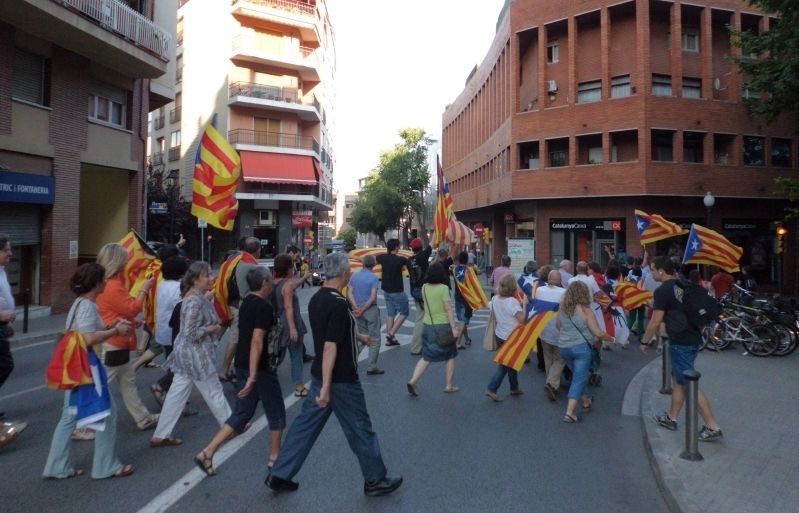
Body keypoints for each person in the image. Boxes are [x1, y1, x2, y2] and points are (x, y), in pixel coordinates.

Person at [266, 252, 402, 496]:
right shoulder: (338, 304)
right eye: (349, 270)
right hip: (340, 378)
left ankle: (280, 473)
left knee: (304, 426)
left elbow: (331, 331)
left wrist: (358, 336)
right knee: (360, 429)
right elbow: (330, 344)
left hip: (321, 374)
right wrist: (328, 386)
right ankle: (375, 479)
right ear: (344, 274)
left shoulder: (318, 298)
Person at [42, 263, 135, 479]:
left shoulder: (81, 303)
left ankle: (56, 466)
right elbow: (88, 338)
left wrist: (112, 326)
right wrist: (115, 330)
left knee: (69, 416)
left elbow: (86, 332)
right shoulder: (87, 306)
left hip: (77, 363)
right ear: (96, 283)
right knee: (107, 413)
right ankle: (105, 466)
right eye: (103, 279)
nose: (106, 283)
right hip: (87, 364)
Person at [195, 266, 286, 476]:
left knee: (243, 413)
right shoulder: (263, 307)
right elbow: (257, 341)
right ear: (264, 283)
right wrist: (254, 375)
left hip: (243, 363)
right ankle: (275, 458)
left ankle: (208, 452)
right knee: (276, 412)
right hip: (260, 368)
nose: (272, 283)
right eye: (270, 280)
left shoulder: (246, 303)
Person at [641, 257, 723, 441]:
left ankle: (712, 426)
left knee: (689, 384)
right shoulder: (683, 284)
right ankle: (671, 417)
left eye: (652, 269)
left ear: (661, 270)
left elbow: (655, 321)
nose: (651, 273)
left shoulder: (663, 290)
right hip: (692, 338)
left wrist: (644, 341)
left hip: (680, 341)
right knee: (680, 381)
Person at [150, 261, 231, 447]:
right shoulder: (194, 301)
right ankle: (230, 426)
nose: (212, 278)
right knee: (213, 390)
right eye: (207, 275)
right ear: (195, 280)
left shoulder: (195, 296)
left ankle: (161, 434)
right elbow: (190, 333)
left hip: (186, 355)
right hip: (196, 356)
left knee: (176, 394)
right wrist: (211, 329)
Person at [95, 243, 159, 432]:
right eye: (125, 259)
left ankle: (142, 417)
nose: (127, 263)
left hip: (117, 339)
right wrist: (144, 289)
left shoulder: (106, 283)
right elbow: (132, 308)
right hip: (114, 341)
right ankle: (85, 425)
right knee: (102, 385)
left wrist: (131, 322)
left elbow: (117, 310)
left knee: (127, 381)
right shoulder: (113, 285)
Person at [556, 281, 615, 423]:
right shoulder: (586, 310)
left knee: (579, 375)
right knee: (578, 379)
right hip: (581, 348)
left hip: (564, 347)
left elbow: (558, 326)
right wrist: (612, 338)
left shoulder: (562, 309)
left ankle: (586, 400)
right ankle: (569, 413)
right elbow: (598, 333)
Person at [406, 263, 461, 396]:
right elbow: (448, 309)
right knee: (450, 355)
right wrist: (454, 327)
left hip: (427, 325)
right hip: (442, 326)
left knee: (426, 357)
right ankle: (449, 385)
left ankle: (413, 380)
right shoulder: (444, 288)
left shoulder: (424, 287)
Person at [219, 237, 261, 384]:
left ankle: (228, 369)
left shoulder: (235, 260)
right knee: (236, 339)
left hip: (227, 303)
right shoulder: (248, 264)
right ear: (258, 250)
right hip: (238, 306)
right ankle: (224, 371)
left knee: (216, 338)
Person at [149, 256, 189, 405]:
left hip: (164, 331)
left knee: (174, 364)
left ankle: (177, 399)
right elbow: (183, 308)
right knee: (180, 367)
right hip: (174, 333)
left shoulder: (162, 284)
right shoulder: (177, 287)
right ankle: (160, 386)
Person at [0, 235, 27, 448]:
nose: (11, 253)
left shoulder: (2, 270)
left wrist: (7, 321)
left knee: (5, 364)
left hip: (2, 326)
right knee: (4, 364)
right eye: (6, 249)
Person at [485, 274, 525, 402]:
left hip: (500, 334)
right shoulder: (512, 302)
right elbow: (522, 320)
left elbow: (489, 306)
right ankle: (491, 388)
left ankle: (514, 387)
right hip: (511, 337)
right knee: (505, 364)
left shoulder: (495, 298)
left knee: (510, 362)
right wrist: (525, 307)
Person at [273, 254, 309, 397]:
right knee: (295, 356)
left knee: (275, 356)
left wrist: (304, 278)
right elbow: (289, 307)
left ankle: (262, 383)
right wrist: (293, 328)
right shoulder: (288, 285)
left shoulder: (271, 283)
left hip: (276, 324)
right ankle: (299, 387)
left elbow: (296, 283)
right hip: (289, 325)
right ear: (289, 268)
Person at [533, 270, 566, 402]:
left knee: (548, 357)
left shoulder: (539, 290)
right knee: (560, 359)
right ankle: (551, 383)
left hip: (544, 330)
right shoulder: (564, 293)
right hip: (559, 332)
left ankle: (550, 382)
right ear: (560, 281)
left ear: (548, 279)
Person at [348, 254, 383, 375]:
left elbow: (349, 293)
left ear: (363, 264)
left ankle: (351, 362)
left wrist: (356, 307)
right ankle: (372, 366)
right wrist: (363, 309)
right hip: (370, 309)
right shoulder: (373, 277)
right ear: (373, 265)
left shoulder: (355, 276)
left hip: (357, 310)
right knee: (375, 338)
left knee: (361, 338)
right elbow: (373, 297)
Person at [376, 239, 409, 346]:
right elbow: (410, 263)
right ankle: (391, 333)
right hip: (397, 291)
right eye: (399, 246)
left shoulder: (382, 257)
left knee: (391, 314)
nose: (399, 248)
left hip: (386, 290)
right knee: (404, 312)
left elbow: (371, 260)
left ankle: (390, 339)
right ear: (395, 247)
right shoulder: (400, 260)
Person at [286, 245, 314, 362]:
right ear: (291, 253)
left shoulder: (292, 264)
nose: (298, 258)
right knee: (294, 328)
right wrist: (304, 278)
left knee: (297, 327)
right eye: (297, 256)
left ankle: (301, 352)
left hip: (291, 299)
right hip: (288, 300)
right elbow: (291, 284)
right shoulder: (286, 264)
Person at [407, 238, 432, 356]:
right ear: (421, 247)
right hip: (424, 291)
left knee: (424, 317)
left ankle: (423, 344)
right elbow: (432, 243)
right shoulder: (423, 256)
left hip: (415, 291)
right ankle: (416, 347)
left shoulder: (409, 260)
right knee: (422, 318)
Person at [452, 251, 474, 349]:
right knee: (463, 320)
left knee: (462, 320)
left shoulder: (455, 270)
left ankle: (467, 339)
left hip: (457, 297)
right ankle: (457, 342)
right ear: (467, 260)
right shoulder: (469, 271)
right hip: (466, 299)